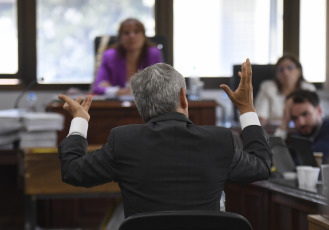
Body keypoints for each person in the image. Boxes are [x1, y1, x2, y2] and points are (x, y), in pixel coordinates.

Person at [57, 59, 271, 218]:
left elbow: (73, 171)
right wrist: (247, 109)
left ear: (141, 106)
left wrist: (80, 120)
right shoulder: (220, 140)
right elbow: (262, 166)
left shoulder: (123, 140)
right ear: (182, 97)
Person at [93, 18, 163, 96]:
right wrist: (119, 91)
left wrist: (112, 89)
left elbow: (160, 86)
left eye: (136, 31)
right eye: (126, 33)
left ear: (144, 36)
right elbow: (98, 87)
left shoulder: (153, 54)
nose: (131, 36)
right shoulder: (109, 56)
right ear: (120, 37)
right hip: (116, 106)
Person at [255, 54, 316, 126]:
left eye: (290, 68)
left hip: (304, 129)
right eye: (281, 69)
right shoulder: (268, 88)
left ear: (298, 71)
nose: (285, 73)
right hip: (274, 131)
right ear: (276, 74)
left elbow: (315, 117)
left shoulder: (308, 89)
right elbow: (261, 118)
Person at [275, 89, 329, 164]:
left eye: (305, 114)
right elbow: (275, 159)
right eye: (294, 118)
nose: (301, 123)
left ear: (319, 110)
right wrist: (284, 123)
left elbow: (308, 162)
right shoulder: (300, 135)